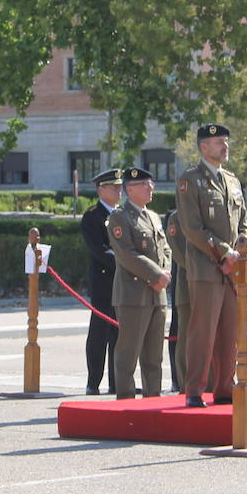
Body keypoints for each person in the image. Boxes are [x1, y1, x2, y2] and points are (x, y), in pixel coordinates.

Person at [175, 124, 247, 408]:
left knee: (230, 332)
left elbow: (243, 222)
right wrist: (224, 252)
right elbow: (192, 228)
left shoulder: (232, 180)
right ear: (203, 146)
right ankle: (194, 389)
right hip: (207, 268)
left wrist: (241, 249)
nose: (225, 146)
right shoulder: (190, 180)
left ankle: (225, 388)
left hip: (232, 269)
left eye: (226, 141)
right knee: (203, 332)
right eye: (219, 142)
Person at [106, 167, 171, 399]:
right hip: (133, 294)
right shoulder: (120, 217)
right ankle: (125, 399)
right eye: (144, 184)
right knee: (128, 353)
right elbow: (126, 254)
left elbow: (165, 249)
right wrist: (156, 275)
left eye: (151, 184)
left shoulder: (153, 216)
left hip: (157, 294)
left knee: (154, 355)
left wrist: (165, 272)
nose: (150, 188)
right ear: (129, 189)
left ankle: (152, 398)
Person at [81, 169, 121, 395]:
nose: (119, 191)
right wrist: (125, 262)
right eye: (114, 187)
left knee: (120, 334)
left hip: (123, 282)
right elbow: (99, 249)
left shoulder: (122, 214)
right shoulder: (93, 216)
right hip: (104, 282)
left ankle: (117, 382)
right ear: (101, 189)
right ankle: (93, 382)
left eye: (119, 187)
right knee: (99, 333)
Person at [164, 209, 190, 392]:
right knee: (183, 333)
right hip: (186, 283)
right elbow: (177, 252)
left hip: (213, 282)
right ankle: (182, 381)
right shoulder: (176, 217)